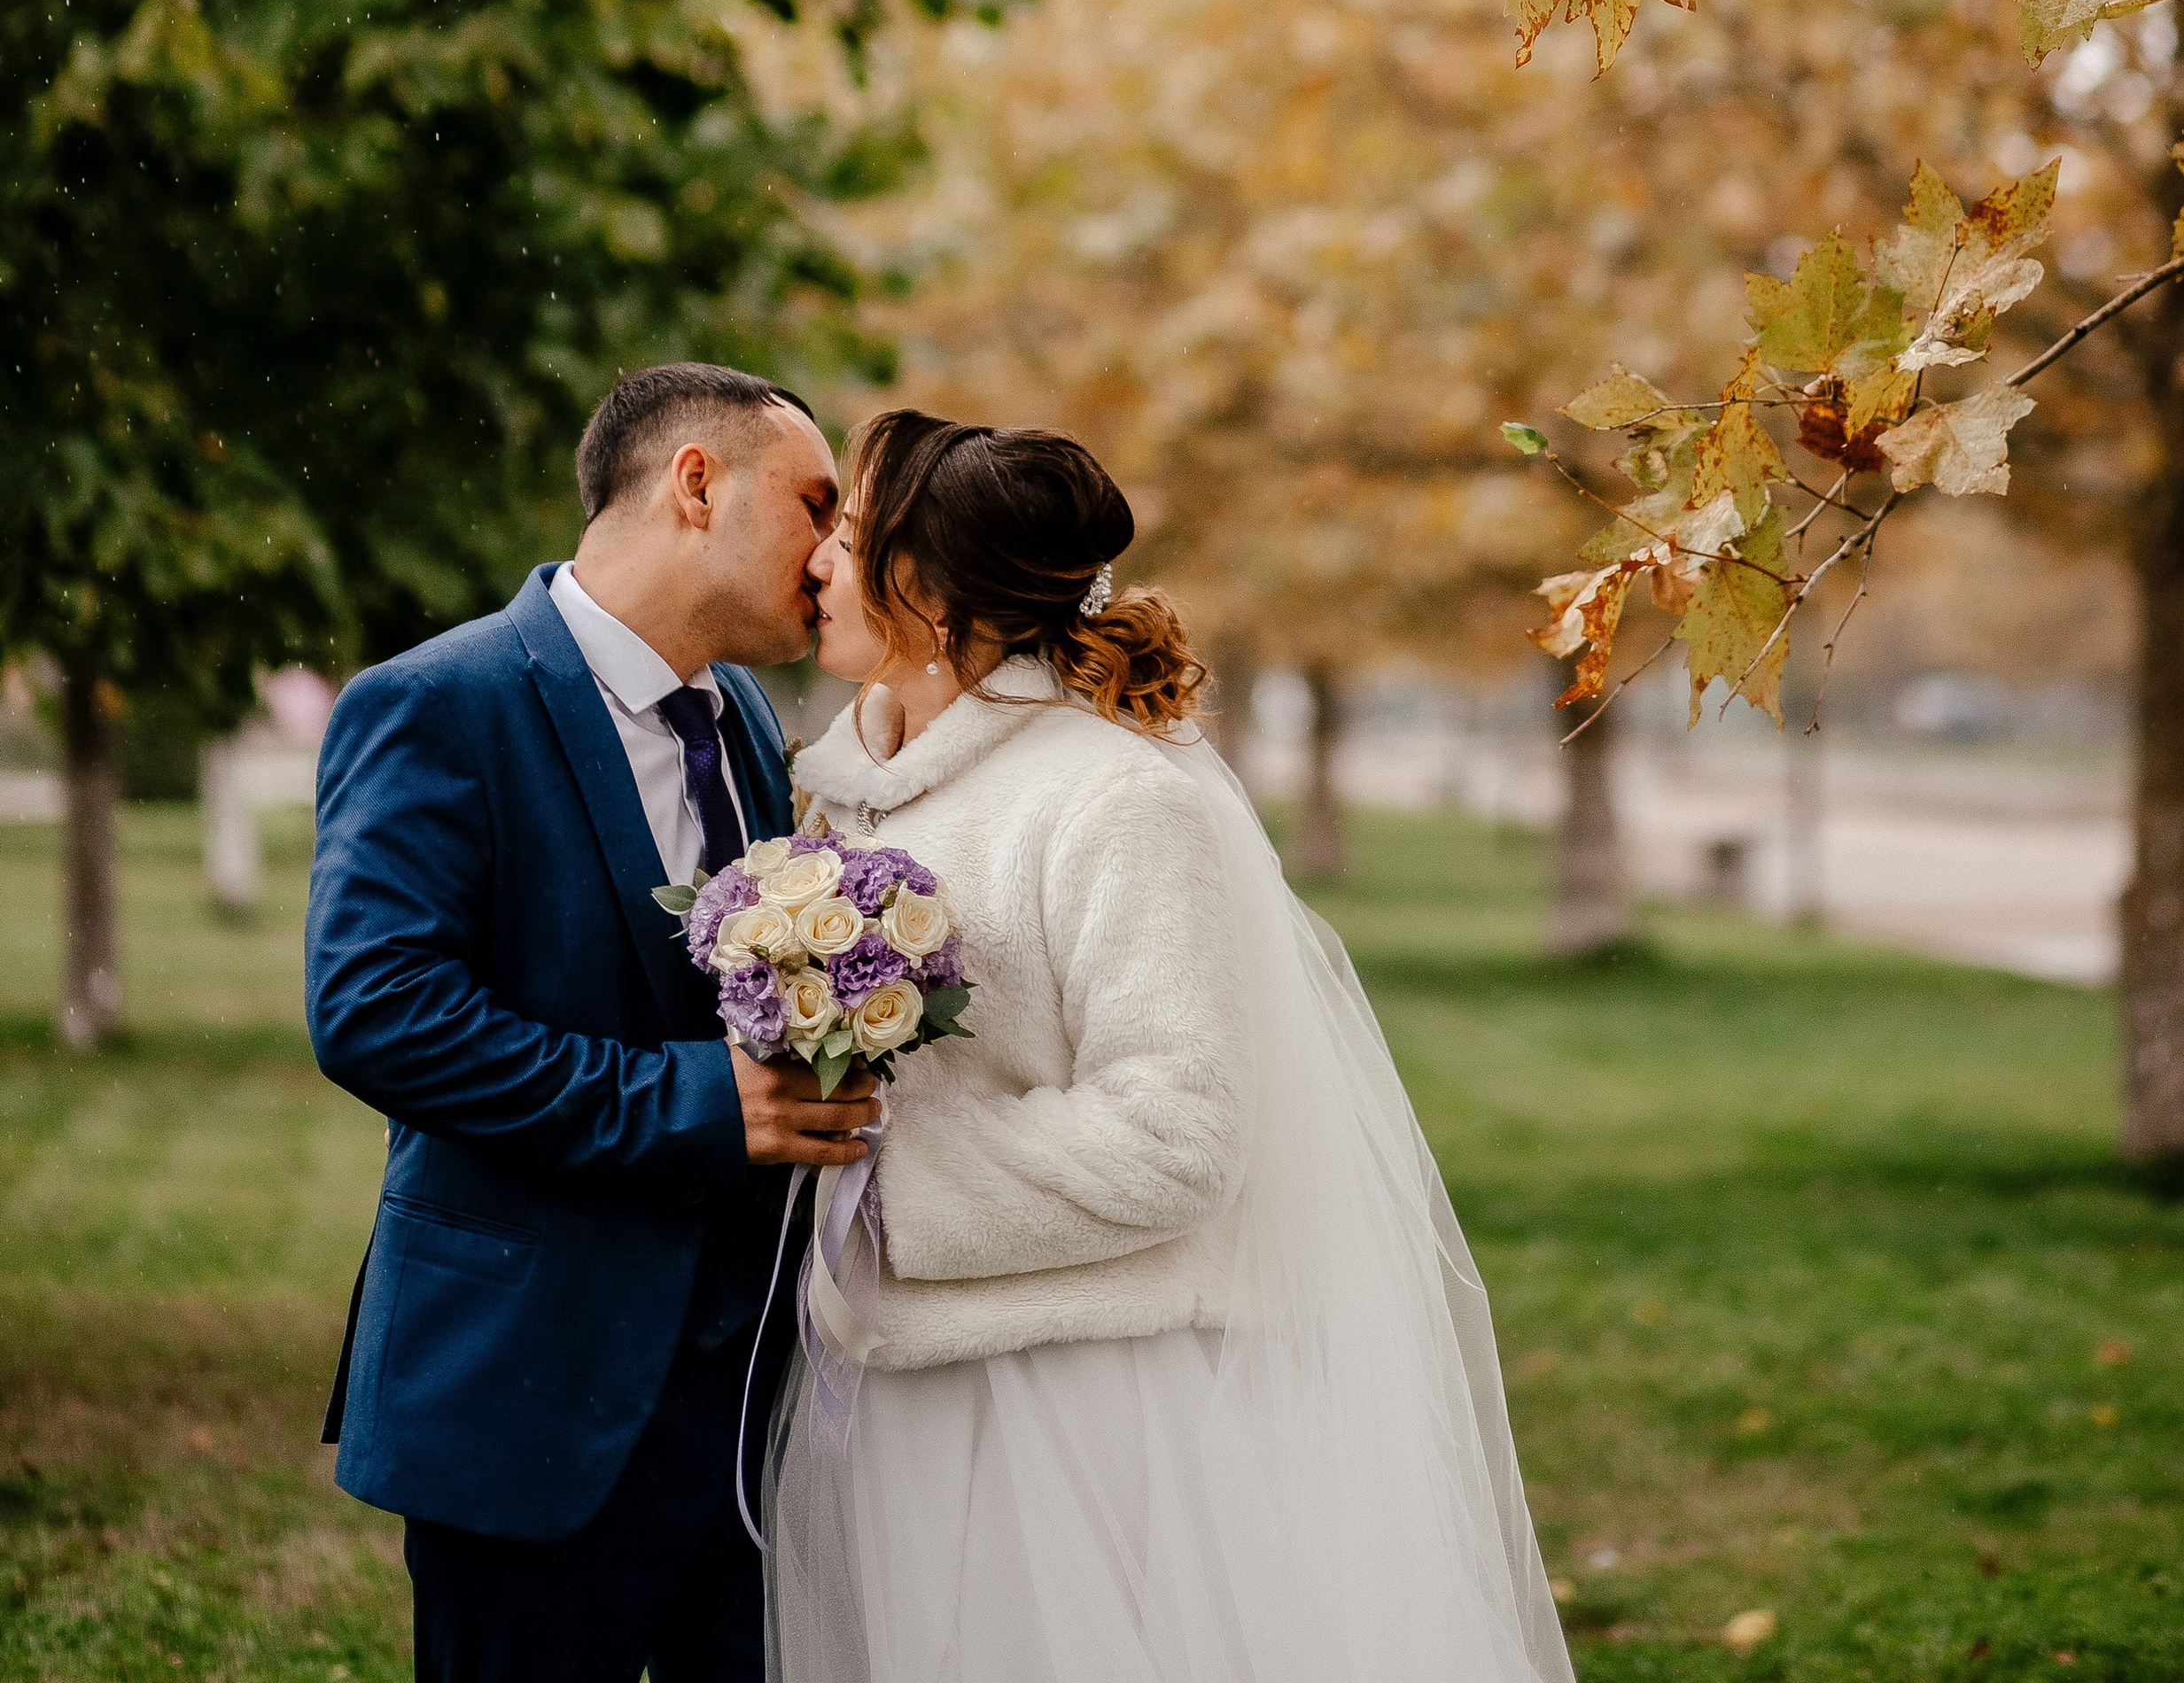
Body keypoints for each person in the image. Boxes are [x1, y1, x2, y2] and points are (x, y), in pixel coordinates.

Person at [766, 407, 1576, 1683]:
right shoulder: (838, 794)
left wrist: (887, 1178)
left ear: (926, 589)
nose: (814, 560)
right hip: (895, 1386)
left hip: (1078, 1405)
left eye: (849, 535)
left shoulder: (1115, 801)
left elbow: (1178, 1138)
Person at [305, 361, 876, 1683]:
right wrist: (693, 1105)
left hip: (745, 1411)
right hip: (527, 1388)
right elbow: (376, 1014)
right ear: (696, 485)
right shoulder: (439, 705)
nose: (834, 550)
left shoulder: (740, 718)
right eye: (815, 503)